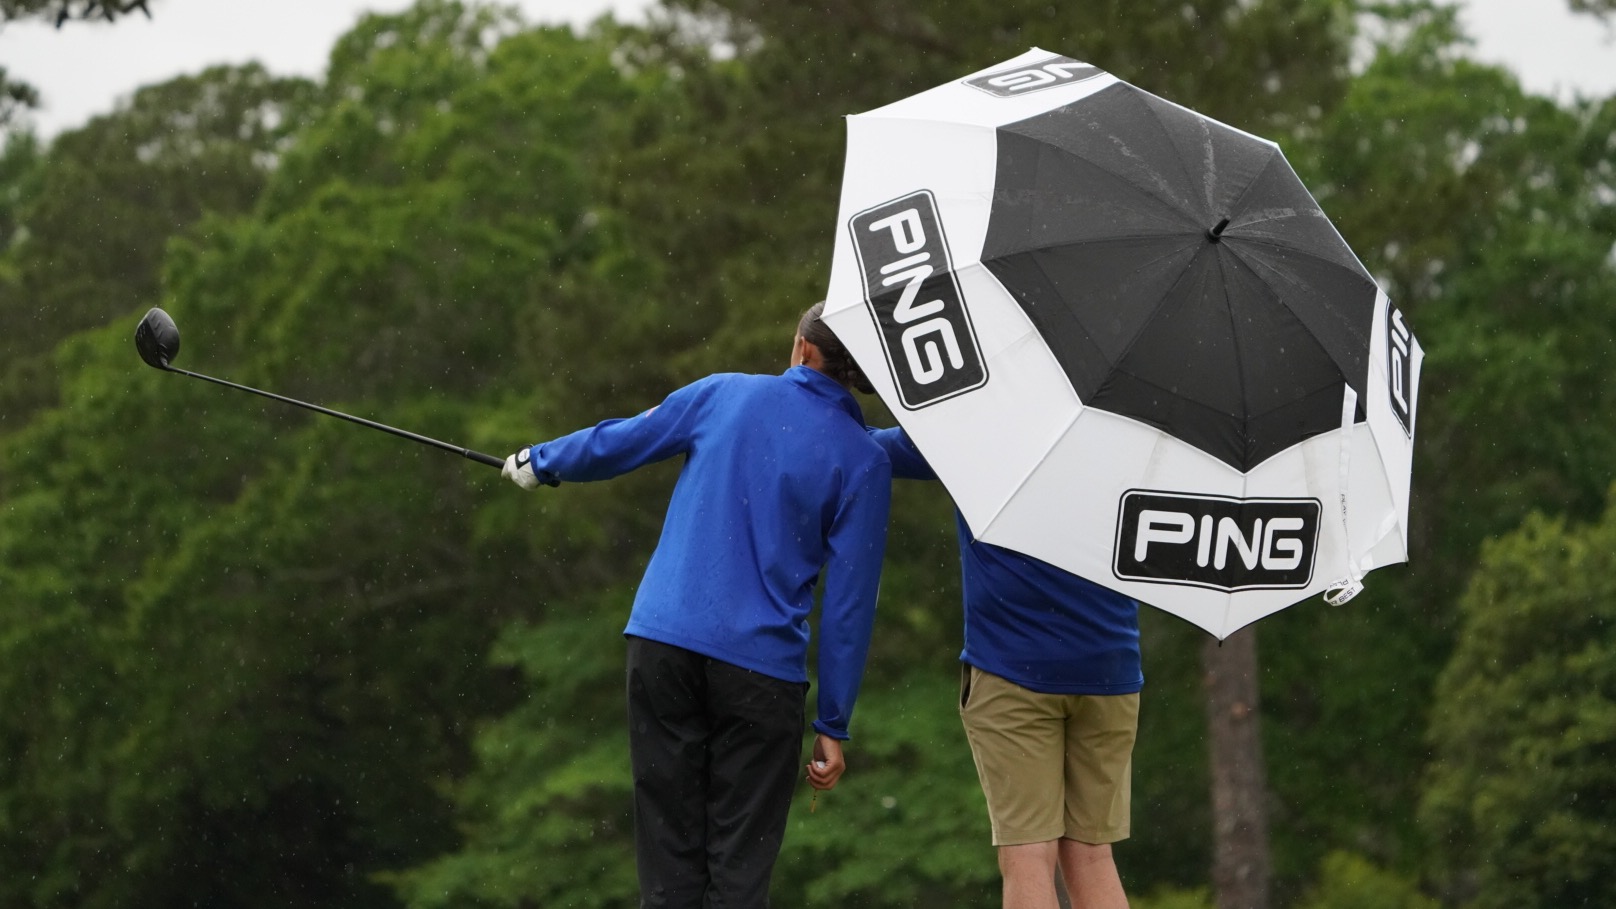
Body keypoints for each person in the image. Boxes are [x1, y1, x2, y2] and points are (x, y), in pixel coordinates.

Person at [503, 302, 891, 909]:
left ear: (801, 348)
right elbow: (849, 607)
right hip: (761, 678)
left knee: (668, 860)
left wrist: (540, 461)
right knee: (738, 873)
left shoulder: (723, 394)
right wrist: (832, 724)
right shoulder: (865, 459)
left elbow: (623, 440)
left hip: (664, 647)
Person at [868, 427, 1141, 909]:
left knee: (1029, 856)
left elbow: (870, 447)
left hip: (1015, 669)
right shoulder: (1126, 429)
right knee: (1093, 855)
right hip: (1110, 667)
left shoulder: (984, 424)